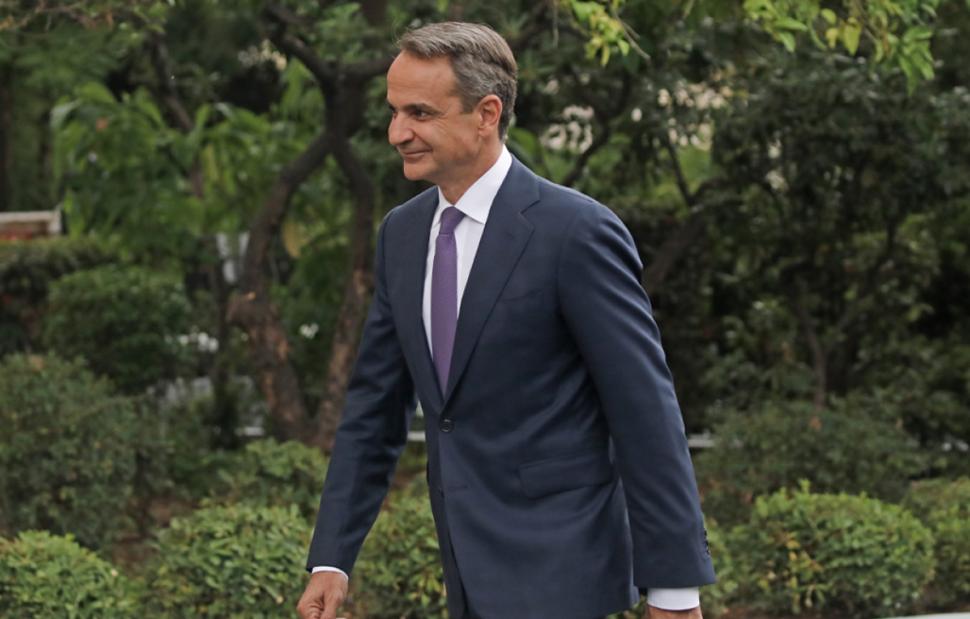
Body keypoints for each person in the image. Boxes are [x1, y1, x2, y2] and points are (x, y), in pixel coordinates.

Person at [297, 21, 715, 619]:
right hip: (463, 575)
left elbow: (645, 414)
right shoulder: (401, 235)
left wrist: (674, 592)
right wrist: (332, 559)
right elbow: (374, 409)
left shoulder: (577, 233)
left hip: (564, 573)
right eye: (393, 112)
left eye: (420, 113)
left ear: (486, 114)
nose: (397, 133)